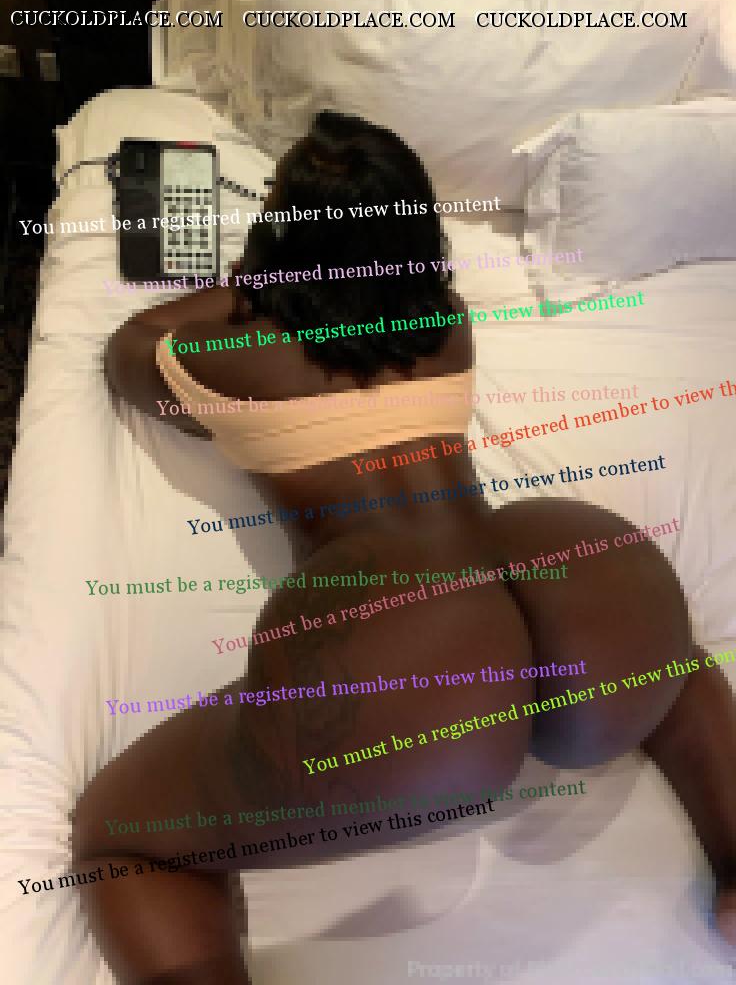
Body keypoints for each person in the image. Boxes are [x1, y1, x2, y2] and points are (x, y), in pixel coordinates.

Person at [73, 110, 736, 983]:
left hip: (411, 651)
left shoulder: (224, 353)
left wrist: (264, 279)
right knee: (673, 661)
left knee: (119, 837)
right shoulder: (448, 323)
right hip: (557, 568)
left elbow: (130, 352)